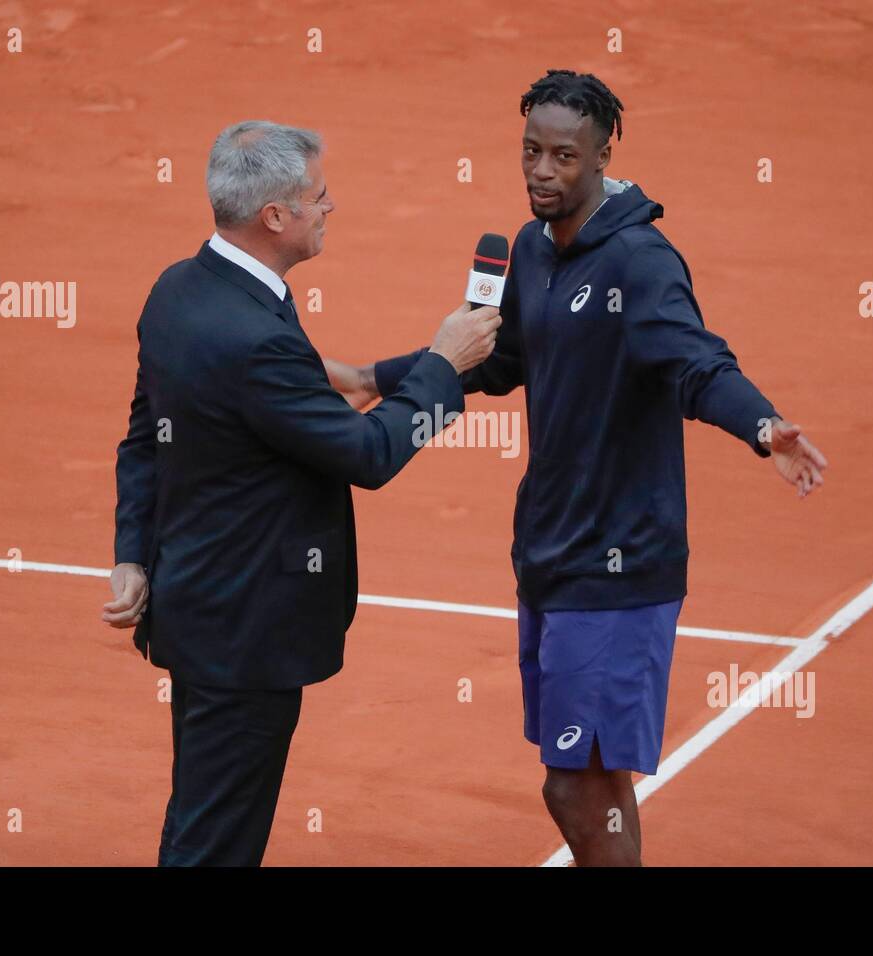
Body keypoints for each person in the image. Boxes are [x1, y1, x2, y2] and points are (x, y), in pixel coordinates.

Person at [325, 71, 828, 866]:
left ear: (602, 157)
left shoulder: (640, 261)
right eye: (531, 152)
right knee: (600, 781)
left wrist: (763, 425)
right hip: (549, 550)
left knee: (573, 788)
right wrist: (371, 378)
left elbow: (695, 365)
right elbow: (498, 357)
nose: (542, 171)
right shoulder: (529, 249)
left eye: (564, 155)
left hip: (619, 559)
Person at [104, 120, 500, 866]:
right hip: (245, 633)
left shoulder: (182, 292)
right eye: (319, 198)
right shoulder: (255, 339)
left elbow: (143, 438)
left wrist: (132, 553)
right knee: (215, 841)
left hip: (196, 607)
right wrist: (445, 363)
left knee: (203, 815)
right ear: (275, 217)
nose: (330, 208)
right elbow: (370, 453)